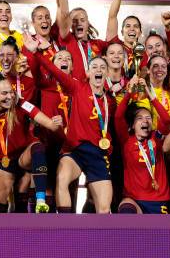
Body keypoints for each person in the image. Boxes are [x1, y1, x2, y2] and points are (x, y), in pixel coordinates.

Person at [33, 35, 115, 213]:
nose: (98, 70)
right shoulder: (78, 88)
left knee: (104, 208)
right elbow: (55, 71)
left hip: (98, 154)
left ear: (107, 73)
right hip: (74, 150)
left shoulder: (111, 102)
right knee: (62, 179)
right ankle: (65, 228)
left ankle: (100, 240)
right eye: (94, 67)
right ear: (87, 73)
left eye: (102, 67)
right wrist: (38, 53)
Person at [0, 73, 63, 213]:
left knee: (38, 147)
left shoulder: (22, 104)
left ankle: (41, 200)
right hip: (2, 162)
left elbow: (50, 125)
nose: (9, 97)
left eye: (11, 92)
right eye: (4, 93)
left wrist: (56, 122)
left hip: (23, 159)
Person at [114, 79, 170, 214]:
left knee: (157, 235)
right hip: (134, 199)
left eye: (148, 118)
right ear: (132, 125)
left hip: (159, 199)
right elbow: (118, 117)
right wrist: (129, 93)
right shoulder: (126, 140)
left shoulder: (156, 138)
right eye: (140, 118)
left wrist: (150, 94)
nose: (145, 120)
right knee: (126, 209)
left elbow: (166, 119)